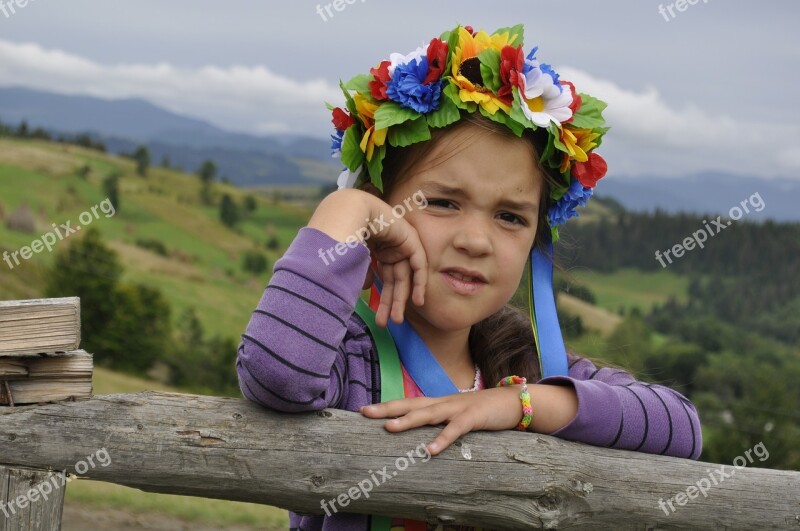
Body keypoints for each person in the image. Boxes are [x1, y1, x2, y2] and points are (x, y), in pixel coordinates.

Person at [236, 23, 702, 530]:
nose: (476, 241)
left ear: (536, 244)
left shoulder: (528, 365)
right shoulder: (345, 364)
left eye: (510, 217)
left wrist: (518, 403)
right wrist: (347, 207)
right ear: (381, 208)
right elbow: (277, 373)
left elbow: (680, 427)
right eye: (441, 202)